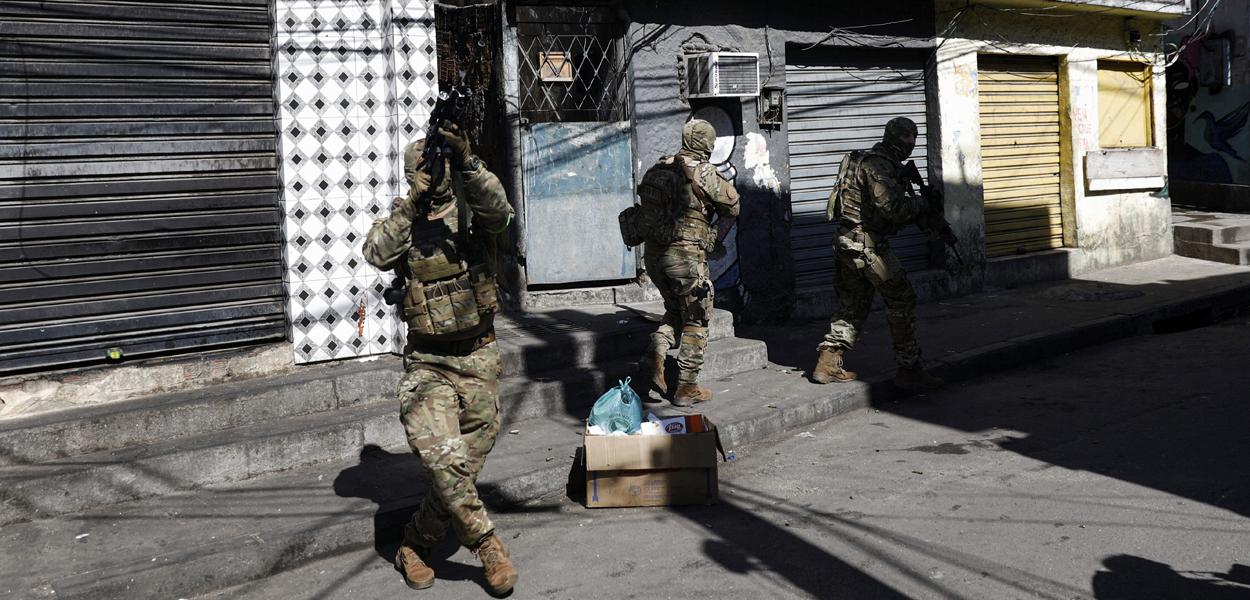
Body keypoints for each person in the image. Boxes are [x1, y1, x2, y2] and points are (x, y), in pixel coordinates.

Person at [362, 123, 517, 595]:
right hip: (428, 363)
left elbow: (503, 214)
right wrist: (413, 201)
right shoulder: (405, 219)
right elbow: (375, 252)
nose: (434, 176)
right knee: (445, 461)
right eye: (423, 171)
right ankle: (488, 546)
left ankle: (413, 545)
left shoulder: (475, 207)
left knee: (460, 471)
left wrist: (469, 160)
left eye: (438, 167)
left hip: (479, 356)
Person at [811, 117, 949, 392]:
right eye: (907, 138)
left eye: (914, 137)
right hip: (866, 245)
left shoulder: (864, 159)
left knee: (854, 304)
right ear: (894, 138)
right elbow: (892, 210)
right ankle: (909, 369)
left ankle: (827, 363)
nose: (911, 143)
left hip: (847, 241)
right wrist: (922, 203)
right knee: (902, 298)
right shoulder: (879, 165)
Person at [639, 119, 740, 407]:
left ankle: (656, 354)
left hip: (655, 257)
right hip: (685, 259)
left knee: (675, 310)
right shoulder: (704, 172)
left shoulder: (657, 169)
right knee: (697, 319)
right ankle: (687, 388)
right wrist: (713, 239)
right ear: (707, 145)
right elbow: (734, 206)